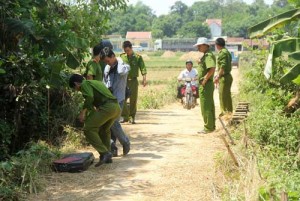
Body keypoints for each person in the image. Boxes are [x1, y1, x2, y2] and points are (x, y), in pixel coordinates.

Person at [69, 74, 121, 167]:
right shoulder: (95, 82)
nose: (77, 90)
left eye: (75, 88)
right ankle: (107, 157)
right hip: (116, 108)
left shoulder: (85, 84)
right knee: (104, 130)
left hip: (107, 108)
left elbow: (89, 96)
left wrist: (82, 112)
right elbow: (94, 100)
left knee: (88, 128)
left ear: (76, 84)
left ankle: (104, 153)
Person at [101, 47, 131, 155]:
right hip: (108, 99)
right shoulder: (107, 68)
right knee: (108, 123)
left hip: (119, 99)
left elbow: (121, 71)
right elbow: (104, 83)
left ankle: (125, 142)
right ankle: (112, 147)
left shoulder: (124, 66)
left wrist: (119, 61)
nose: (107, 63)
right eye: (105, 62)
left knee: (113, 122)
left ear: (113, 56)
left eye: (108, 61)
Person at [120, 41, 147, 124]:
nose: (127, 52)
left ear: (131, 48)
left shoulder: (138, 57)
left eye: (128, 50)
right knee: (122, 98)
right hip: (124, 81)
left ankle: (132, 117)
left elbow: (143, 68)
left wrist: (144, 79)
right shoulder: (122, 57)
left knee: (133, 99)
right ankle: (125, 116)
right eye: (125, 51)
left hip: (133, 81)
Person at [193, 37, 216, 134]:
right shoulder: (206, 56)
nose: (198, 47)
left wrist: (205, 80)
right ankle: (211, 126)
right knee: (208, 105)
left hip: (205, 84)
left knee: (205, 106)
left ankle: (208, 127)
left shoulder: (208, 56)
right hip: (206, 83)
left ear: (205, 45)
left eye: (199, 45)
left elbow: (212, 69)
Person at [214, 38, 233, 116]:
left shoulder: (222, 53)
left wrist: (218, 76)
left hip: (224, 77)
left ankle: (224, 112)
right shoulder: (227, 52)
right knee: (227, 95)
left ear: (217, 45)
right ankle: (229, 111)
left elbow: (223, 66)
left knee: (222, 95)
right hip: (228, 76)